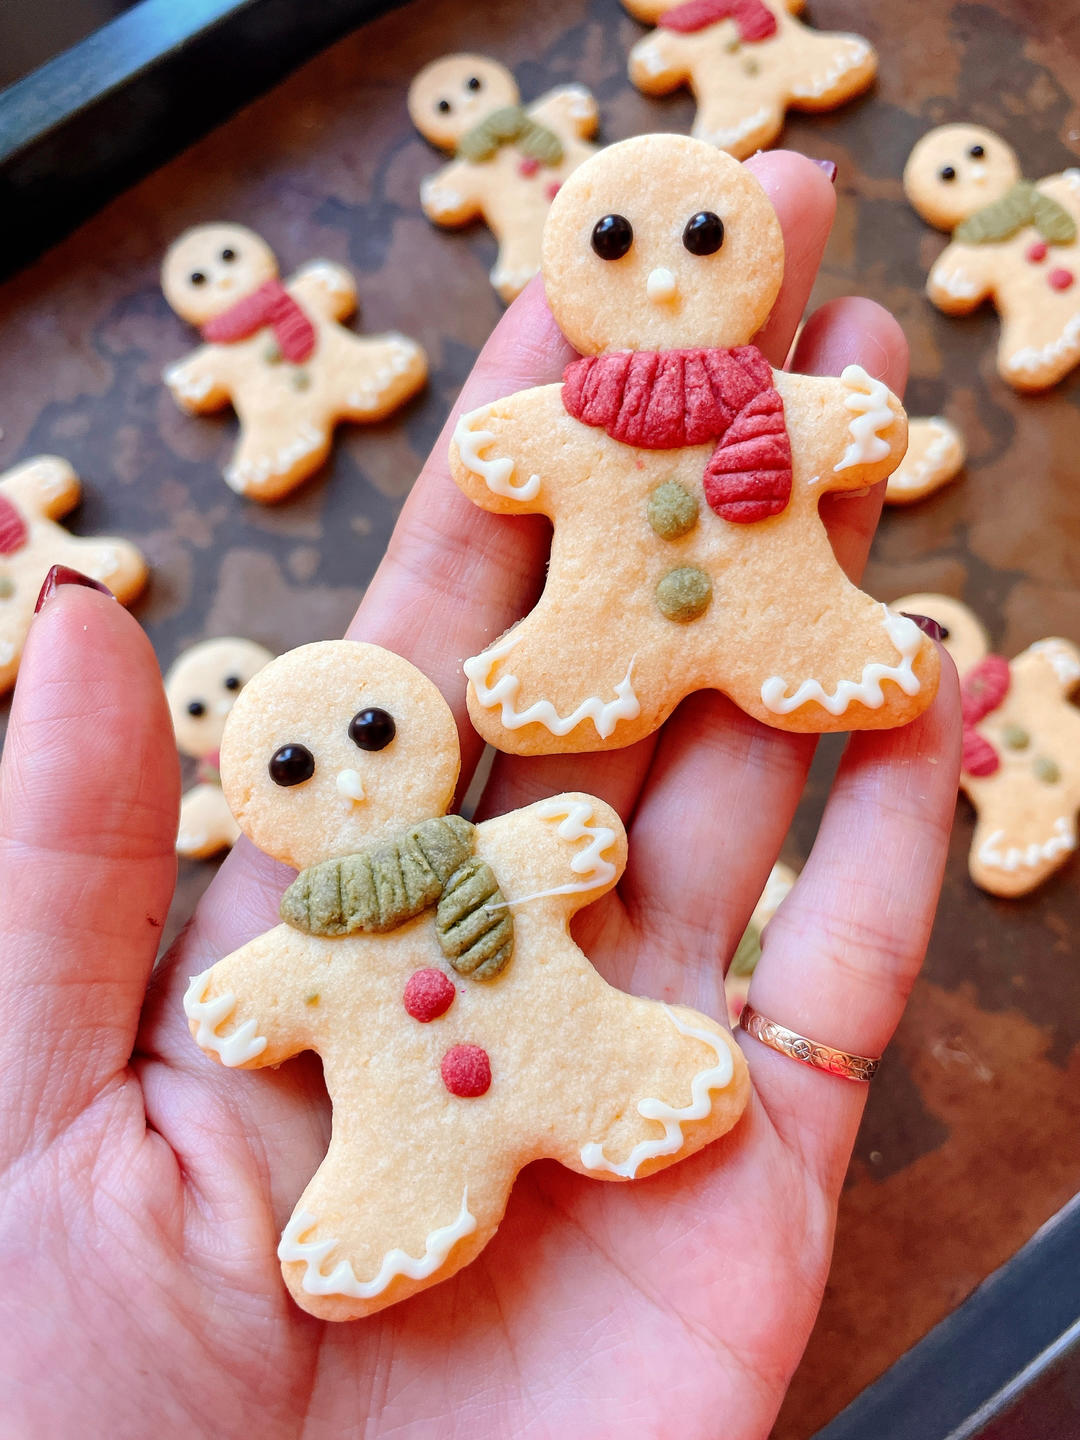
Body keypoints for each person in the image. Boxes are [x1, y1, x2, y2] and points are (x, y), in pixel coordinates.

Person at [0, 152, 959, 1439]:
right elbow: (258, 1002)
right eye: (299, 767)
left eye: (687, 241)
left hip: (768, 617)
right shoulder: (350, 916)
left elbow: (571, 842)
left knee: (633, 1046)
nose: (669, 274)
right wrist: (249, 991)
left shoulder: (763, 409)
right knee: (420, 1138)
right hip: (568, 705)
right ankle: (393, 1200)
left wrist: (843, 425)